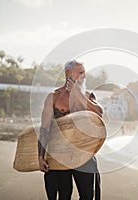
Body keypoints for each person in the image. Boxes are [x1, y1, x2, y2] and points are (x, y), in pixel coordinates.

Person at [38, 60, 103, 200]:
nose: (84, 76)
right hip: (59, 154)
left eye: (84, 72)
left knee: (88, 196)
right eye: (80, 72)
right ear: (68, 73)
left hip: (83, 154)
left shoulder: (88, 96)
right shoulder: (53, 97)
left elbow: (99, 113)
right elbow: (44, 128)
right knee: (63, 196)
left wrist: (78, 94)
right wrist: (40, 156)